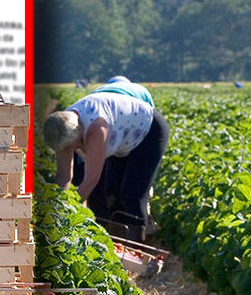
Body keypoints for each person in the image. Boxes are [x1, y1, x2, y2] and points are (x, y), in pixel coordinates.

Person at [44, 90, 169, 242]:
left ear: (79, 130)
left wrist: (70, 213)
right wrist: (57, 208)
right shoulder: (60, 129)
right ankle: (117, 245)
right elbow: (64, 178)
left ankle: (137, 250)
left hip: (148, 132)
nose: (75, 147)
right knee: (111, 191)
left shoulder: (96, 128)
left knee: (132, 194)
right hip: (123, 139)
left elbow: (90, 180)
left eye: (74, 144)